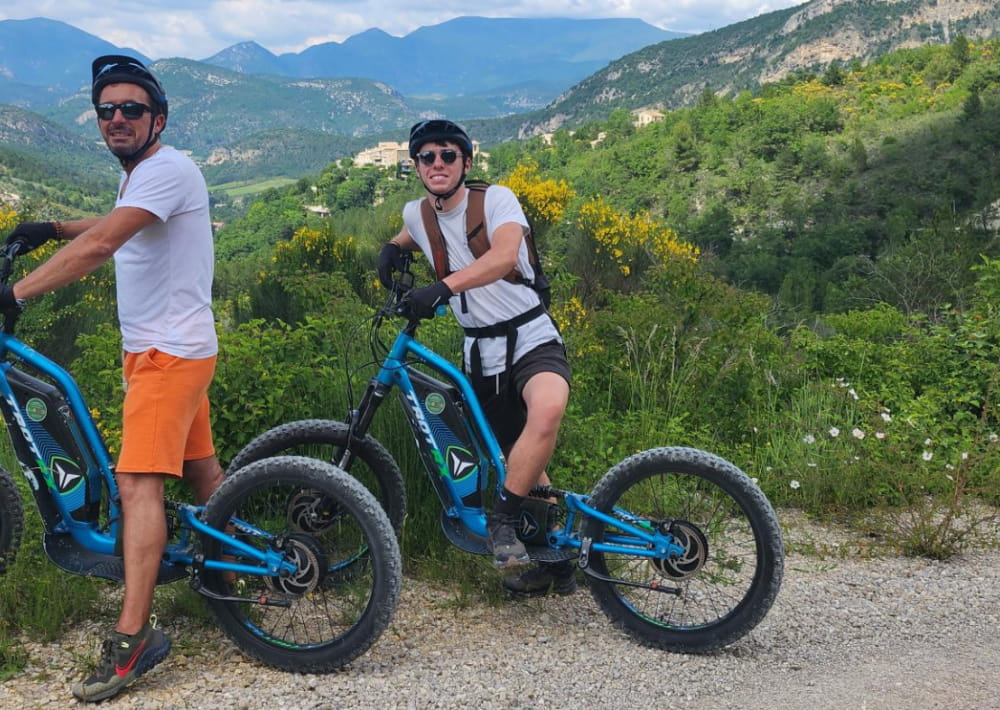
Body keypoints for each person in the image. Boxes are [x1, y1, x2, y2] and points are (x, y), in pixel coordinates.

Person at [0, 55, 223, 703]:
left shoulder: (167, 168)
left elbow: (101, 247)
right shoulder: (143, 177)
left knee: (136, 482)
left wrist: (16, 293)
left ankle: (133, 640)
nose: (117, 119)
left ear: (158, 118)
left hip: (166, 355)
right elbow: (109, 227)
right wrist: (45, 230)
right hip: (170, 351)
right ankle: (231, 579)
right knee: (204, 472)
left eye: (131, 109)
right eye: (106, 110)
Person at [377, 119, 575, 597]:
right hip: (478, 352)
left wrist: (441, 287)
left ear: (466, 163)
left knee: (547, 409)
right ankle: (558, 560)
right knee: (514, 455)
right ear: (416, 167)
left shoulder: (497, 200)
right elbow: (414, 235)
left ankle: (502, 522)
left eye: (448, 155)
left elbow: (505, 256)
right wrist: (390, 249)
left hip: (529, 334)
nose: (438, 164)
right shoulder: (415, 215)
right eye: (427, 157)